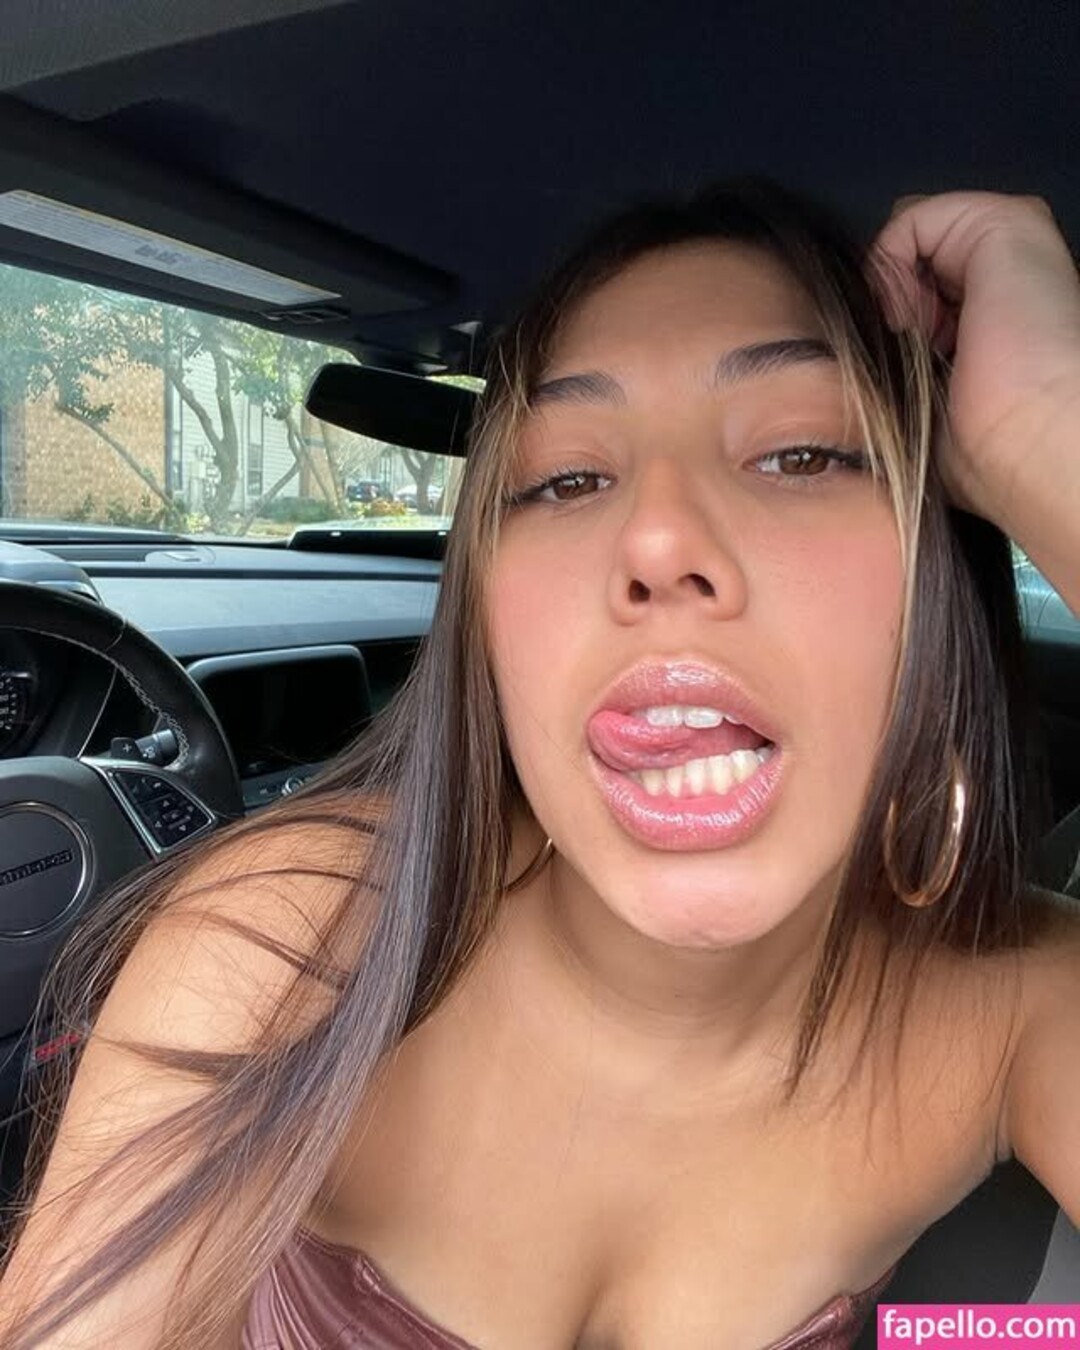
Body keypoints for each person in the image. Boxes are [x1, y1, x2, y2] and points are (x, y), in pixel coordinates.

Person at [0, 179, 1078, 1349]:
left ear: (937, 570)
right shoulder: (298, 935)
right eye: (567, 480)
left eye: (802, 453)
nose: (658, 540)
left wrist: (1047, 436)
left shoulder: (1019, 1003)